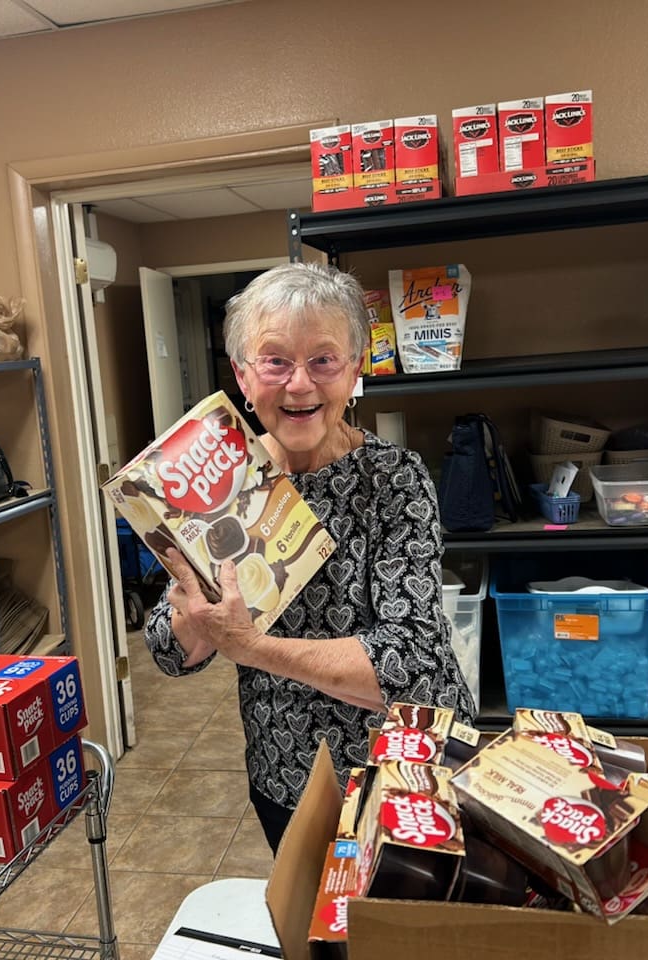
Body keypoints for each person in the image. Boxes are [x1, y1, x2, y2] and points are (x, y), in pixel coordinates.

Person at [143, 262, 475, 854]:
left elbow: (412, 666)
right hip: (283, 772)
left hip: (402, 773)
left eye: (323, 359)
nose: (299, 384)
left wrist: (249, 646)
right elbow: (168, 651)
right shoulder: (220, 481)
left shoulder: (393, 480)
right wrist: (191, 620)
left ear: (354, 370)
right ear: (243, 377)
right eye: (274, 361)